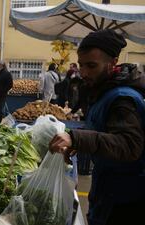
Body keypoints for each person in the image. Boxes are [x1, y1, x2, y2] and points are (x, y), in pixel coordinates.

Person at [49, 29, 145, 225]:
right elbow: (105, 130)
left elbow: (128, 145)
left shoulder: (124, 99)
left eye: (91, 66)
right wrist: (77, 141)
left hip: (126, 201)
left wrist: (76, 138)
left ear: (113, 63)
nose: (83, 73)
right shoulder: (103, 90)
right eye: (81, 65)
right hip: (107, 190)